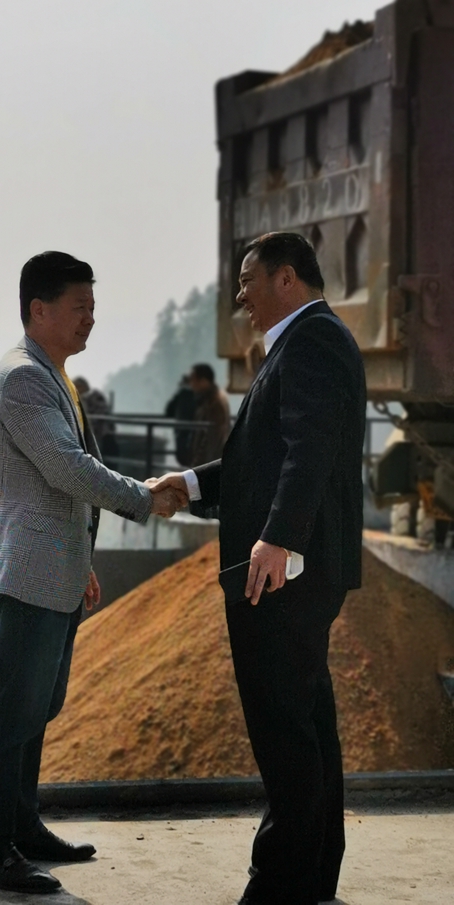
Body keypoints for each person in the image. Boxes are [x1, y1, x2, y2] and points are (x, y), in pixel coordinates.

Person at [150, 232, 366, 905]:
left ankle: (281, 882)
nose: (240, 294)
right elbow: (263, 457)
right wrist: (191, 482)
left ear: (286, 278)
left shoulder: (313, 341)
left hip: (285, 569)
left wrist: (277, 539)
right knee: (306, 722)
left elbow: (310, 450)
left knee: (282, 728)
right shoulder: (302, 342)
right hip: (298, 564)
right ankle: (312, 874)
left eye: (248, 280)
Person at [0, 250, 185, 894]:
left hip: (52, 567)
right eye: (79, 307)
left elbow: (63, 477)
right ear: (39, 309)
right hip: (28, 570)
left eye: (93, 306)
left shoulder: (51, 374)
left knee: (38, 706)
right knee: (13, 713)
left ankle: (21, 827)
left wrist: (81, 561)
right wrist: (144, 497)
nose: (91, 318)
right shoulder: (23, 378)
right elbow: (66, 467)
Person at [187, 362, 231, 466]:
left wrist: (198, 465)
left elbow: (213, 438)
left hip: (209, 462)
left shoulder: (215, 402)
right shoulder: (209, 399)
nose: (191, 384)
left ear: (203, 381)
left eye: (193, 379)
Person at [73, 376, 119, 467]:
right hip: (96, 437)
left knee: (107, 463)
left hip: (103, 435)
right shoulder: (82, 398)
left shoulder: (93, 396)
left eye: (78, 387)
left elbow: (100, 415)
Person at [164, 375, 196, 466]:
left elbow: (168, 411)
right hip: (194, 431)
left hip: (181, 430)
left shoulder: (181, 394)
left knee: (182, 456)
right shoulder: (198, 395)